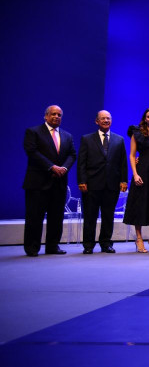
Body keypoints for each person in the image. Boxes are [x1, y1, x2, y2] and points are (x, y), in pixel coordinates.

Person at [22, 105, 76, 256]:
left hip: (58, 183)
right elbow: (32, 152)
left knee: (56, 217)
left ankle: (53, 246)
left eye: (59, 115)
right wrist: (52, 167)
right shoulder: (33, 132)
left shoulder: (67, 136)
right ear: (46, 116)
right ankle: (32, 248)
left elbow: (72, 155)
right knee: (34, 217)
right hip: (37, 183)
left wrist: (64, 168)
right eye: (53, 114)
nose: (56, 117)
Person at [77, 110, 128, 254]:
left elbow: (123, 163)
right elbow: (81, 162)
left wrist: (124, 180)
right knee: (90, 216)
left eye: (108, 118)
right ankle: (88, 245)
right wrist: (81, 180)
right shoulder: (86, 139)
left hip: (111, 185)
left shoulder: (119, 140)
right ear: (96, 121)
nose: (106, 120)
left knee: (108, 216)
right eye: (103, 118)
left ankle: (106, 243)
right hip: (91, 184)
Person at [123, 108, 149, 253]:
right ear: (145, 119)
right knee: (139, 205)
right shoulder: (137, 133)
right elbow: (132, 155)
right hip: (141, 172)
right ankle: (139, 239)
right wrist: (135, 174)